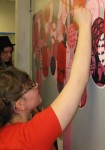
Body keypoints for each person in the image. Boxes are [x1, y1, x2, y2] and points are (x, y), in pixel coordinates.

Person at [0, 7, 91, 150]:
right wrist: (85, 25)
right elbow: (78, 81)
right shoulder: (30, 136)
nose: (36, 84)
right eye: (29, 84)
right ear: (20, 105)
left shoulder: (8, 133)